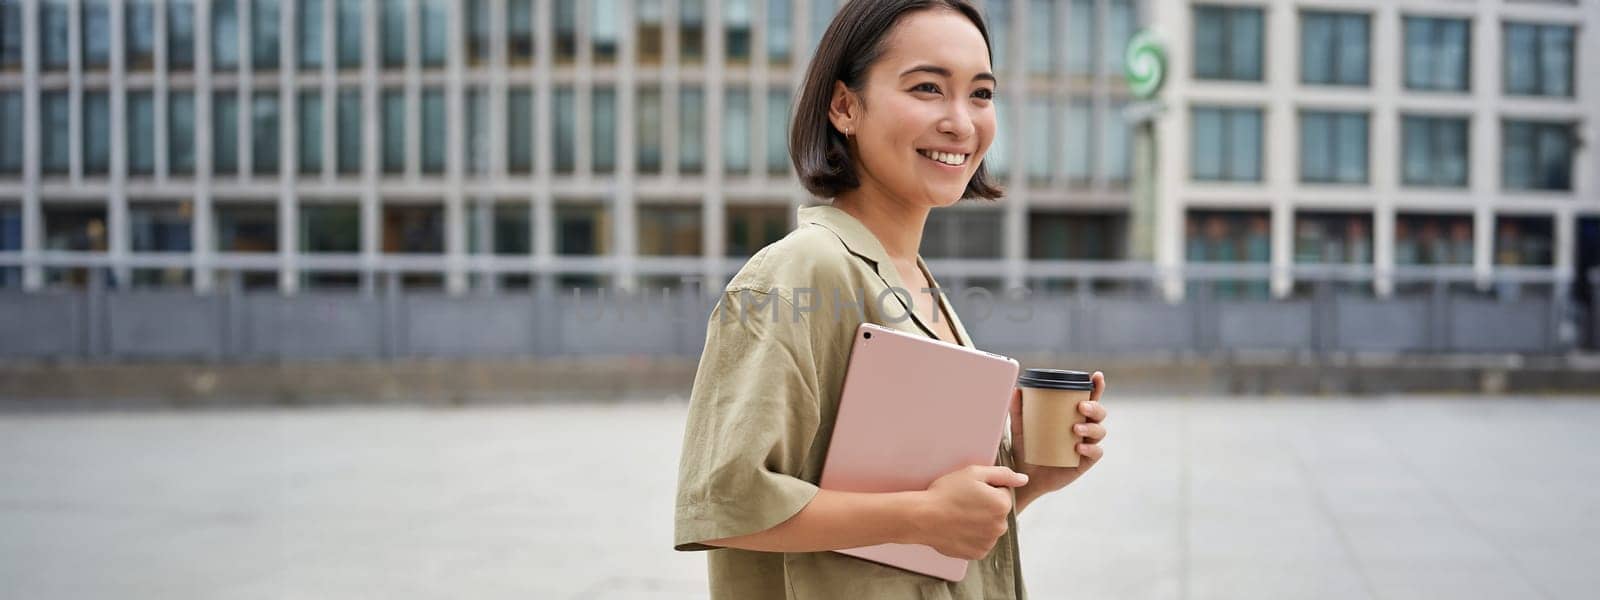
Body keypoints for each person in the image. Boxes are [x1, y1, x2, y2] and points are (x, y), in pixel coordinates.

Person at [673, 1, 1109, 598]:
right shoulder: (803, 270)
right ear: (845, 106)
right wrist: (920, 516)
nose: (961, 121)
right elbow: (726, 500)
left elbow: (920, 539)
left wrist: (1027, 480)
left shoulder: (917, 283)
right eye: (928, 88)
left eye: (981, 94)